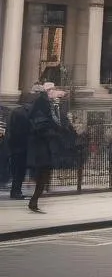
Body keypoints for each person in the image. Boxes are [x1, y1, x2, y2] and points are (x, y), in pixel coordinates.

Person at [26, 82, 74, 213]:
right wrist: (55, 133)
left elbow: (56, 122)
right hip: (41, 146)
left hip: (46, 146)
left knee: (44, 175)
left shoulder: (50, 104)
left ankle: (34, 201)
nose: (55, 93)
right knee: (43, 174)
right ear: (47, 92)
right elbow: (41, 125)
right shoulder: (42, 104)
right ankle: (33, 201)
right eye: (52, 90)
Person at [6, 94, 32, 199]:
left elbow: (10, 128)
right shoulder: (27, 113)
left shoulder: (14, 112)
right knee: (20, 170)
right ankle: (16, 192)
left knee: (16, 169)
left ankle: (15, 191)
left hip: (14, 145)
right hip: (23, 145)